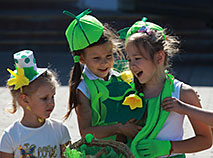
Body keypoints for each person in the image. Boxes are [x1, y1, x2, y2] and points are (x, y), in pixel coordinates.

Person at [119, 17, 212, 157]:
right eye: (129, 59)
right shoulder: (127, 91)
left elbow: (205, 140)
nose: (132, 65)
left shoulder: (182, 93)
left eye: (137, 58)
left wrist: (169, 147)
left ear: (159, 58)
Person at [63, 9, 145, 142]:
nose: (105, 62)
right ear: (82, 59)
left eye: (109, 55)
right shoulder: (83, 90)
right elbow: (85, 132)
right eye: (96, 58)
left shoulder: (121, 77)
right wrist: (119, 128)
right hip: (99, 151)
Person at [0, 50, 71, 158]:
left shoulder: (60, 130)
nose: (51, 103)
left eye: (53, 96)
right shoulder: (10, 136)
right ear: (25, 100)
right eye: (44, 98)